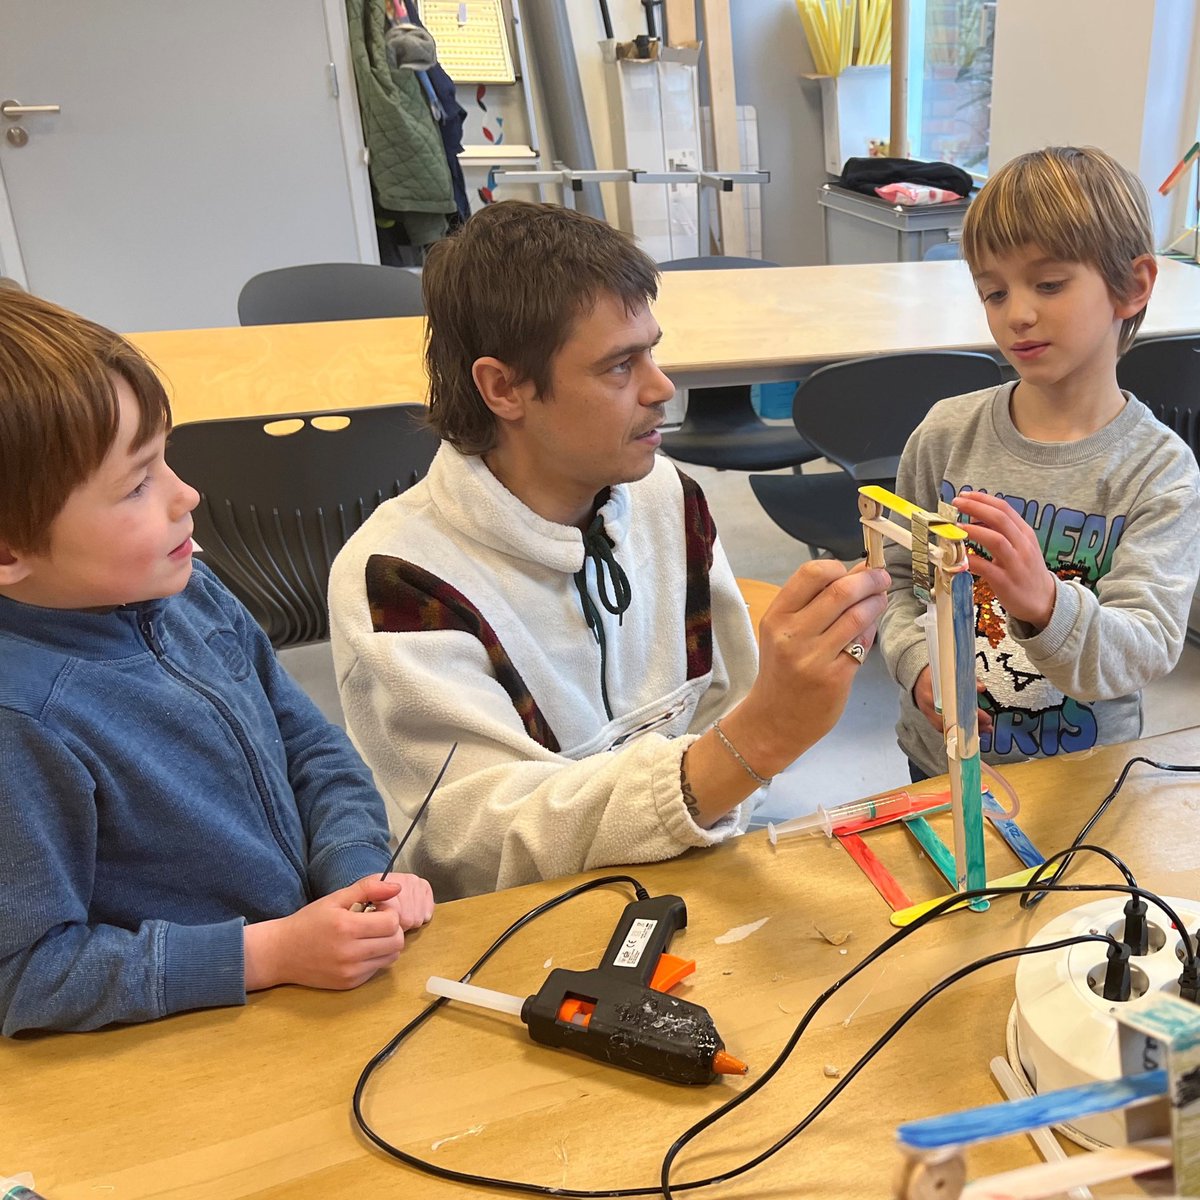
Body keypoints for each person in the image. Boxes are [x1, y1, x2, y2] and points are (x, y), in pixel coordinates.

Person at [328, 200, 890, 900]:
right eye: (620, 366)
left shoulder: (665, 495)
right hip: (520, 920)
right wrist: (760, 739)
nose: (662, 387)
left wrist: (746, 745)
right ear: (503, 388)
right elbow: (478, 848)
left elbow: (720, 712)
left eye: (651, 350)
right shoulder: (400, 579)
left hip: (691, 867)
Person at [0, 290, 435, 1036]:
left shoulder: (187, 590)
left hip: (303, 992)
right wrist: (265, 954)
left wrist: (357, 867)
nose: (187, 494)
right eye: (137, 484)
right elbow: (28, 977)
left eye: (165, 457)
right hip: (190, 1041)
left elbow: (311, 746)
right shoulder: (22, 723)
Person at [879, 146, 1200, 780]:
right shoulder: (946, 434)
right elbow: (899, 583)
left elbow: (1148, 645)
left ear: (1133, 285)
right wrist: (918, 667)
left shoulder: (1159, 470)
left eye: (1049, 284)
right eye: (993, 292)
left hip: (1082, 776)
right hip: (941, 766)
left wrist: (1046, 603)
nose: (1017, 315)